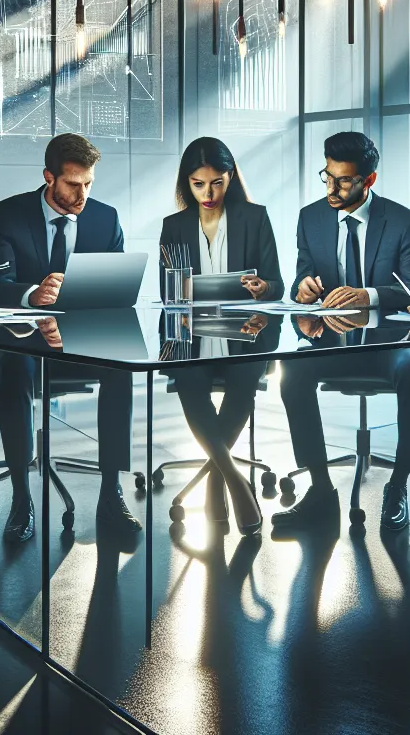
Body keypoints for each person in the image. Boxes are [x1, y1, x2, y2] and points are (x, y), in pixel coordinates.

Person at [270, 131, 410, 534]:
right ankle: (322, 491)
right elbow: (301, 275)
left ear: (368, 181)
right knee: (292, 373)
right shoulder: (310, 217)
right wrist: (303, 287)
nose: (332, 187)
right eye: (326, 176)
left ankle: (396, 486)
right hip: (334, 338)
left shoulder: (402, 221)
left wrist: (369, 295)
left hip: (394, 341)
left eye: (343, 180)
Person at [0, 133, 140, 542]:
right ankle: (21, 497)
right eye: (73, 184)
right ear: (49, 177)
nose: (83, 194)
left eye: (89, 183)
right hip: (26, 337)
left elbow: (115, 290)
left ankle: (111, 492)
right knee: (15, 367)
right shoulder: (8, 215)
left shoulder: (105, 219)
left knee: (119, 368)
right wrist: (31, 295)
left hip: (81, 339)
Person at [158, 137, 284, 535]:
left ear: (230, 178)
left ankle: (216, 479)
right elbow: (170, 295)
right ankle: (233, 480)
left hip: (246, 331)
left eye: (216, 182)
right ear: (187, 183)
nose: (208, 193)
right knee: (189, 381)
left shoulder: (254, 218)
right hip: (191, 334)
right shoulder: (173, 226)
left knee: (243, 381)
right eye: (198, 184)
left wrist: (263, 289)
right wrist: (185, 294)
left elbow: (276, 283)